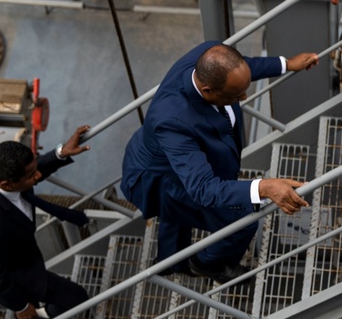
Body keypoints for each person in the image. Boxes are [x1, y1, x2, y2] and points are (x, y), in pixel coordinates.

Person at [120, 42, 320, 284]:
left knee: (176, 214)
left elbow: (241, 67)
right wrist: (264, 187)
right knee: (242, 220)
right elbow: (203, 189)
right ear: (207, 91)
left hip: (173, 164)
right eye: (236, 96)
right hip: (158, 180)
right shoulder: (172, 121)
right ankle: (206, 263)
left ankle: (170, 261)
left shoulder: (208, 57)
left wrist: (285, 64)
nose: (245, 97)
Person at [0, 126, 93, 319]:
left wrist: (60, 153)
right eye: (30, 175)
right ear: (7, 184)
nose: (37, 176)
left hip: (20, 251)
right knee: (77, 298)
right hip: (15, 271)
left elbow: (34, 170)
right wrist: (21, 306)